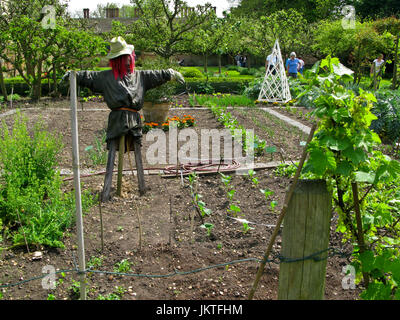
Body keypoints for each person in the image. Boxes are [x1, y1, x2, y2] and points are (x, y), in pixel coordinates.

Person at [62, 36, 185, 150]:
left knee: (135, 154)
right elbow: (88, 76)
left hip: (134, 122)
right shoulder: (106, 77)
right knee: (113, 156)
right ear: (124, 57)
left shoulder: (138, 76)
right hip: (117, 122)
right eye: (129, 55)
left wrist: (170, 73)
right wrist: (73, 75)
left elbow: (155, 75)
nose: (133, 56)